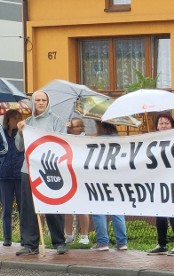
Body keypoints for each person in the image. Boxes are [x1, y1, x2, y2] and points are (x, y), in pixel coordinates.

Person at [14, 90, 67, 255]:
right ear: (33, 102)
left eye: (44, 100)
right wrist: (21, 133)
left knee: (53, 204)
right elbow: (19, 147)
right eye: (38, 100)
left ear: (48, 102)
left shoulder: (57, 121)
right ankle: (30, 244)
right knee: (28, 207)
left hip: (50, 169)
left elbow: (62, 143)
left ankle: (59, 242)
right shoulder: (26, 123)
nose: (41, 103)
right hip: (29, 169)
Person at [147, 113, 174, 256]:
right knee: (160, 213)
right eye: (161, 123)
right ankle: (162, 244)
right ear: (156, 126)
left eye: (167, 123)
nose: (163, 126)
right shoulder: (152, 141)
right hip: (158, 181)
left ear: (172, 125)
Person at [90, 121, 128, 252]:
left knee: (98, 209)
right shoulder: (121, 140)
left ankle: (102, 242)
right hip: (117, 178)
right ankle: (122, 243)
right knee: (118, 209)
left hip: (99, 178)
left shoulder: (96, 141)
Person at [63, 117, 90, 246]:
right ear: (70, 128)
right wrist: (64, 128)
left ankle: (84, 235)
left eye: (81, 126)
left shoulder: (86, 138)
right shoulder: (65, 136)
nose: (79, 128)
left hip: (82, 175)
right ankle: (68, 235)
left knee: (82, 207)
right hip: (68, 174)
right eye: (76, 126)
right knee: (67, 207)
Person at [0, 109, 23, 247]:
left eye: (19, 118)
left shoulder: (21, 133)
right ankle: (7, 237)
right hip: (4, 176)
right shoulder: (1, 133)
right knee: (6, 208)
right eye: (14, 118)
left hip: (20, 175)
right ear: (8, 120)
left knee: (22, 208)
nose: (17, 121)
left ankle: (23, 237)